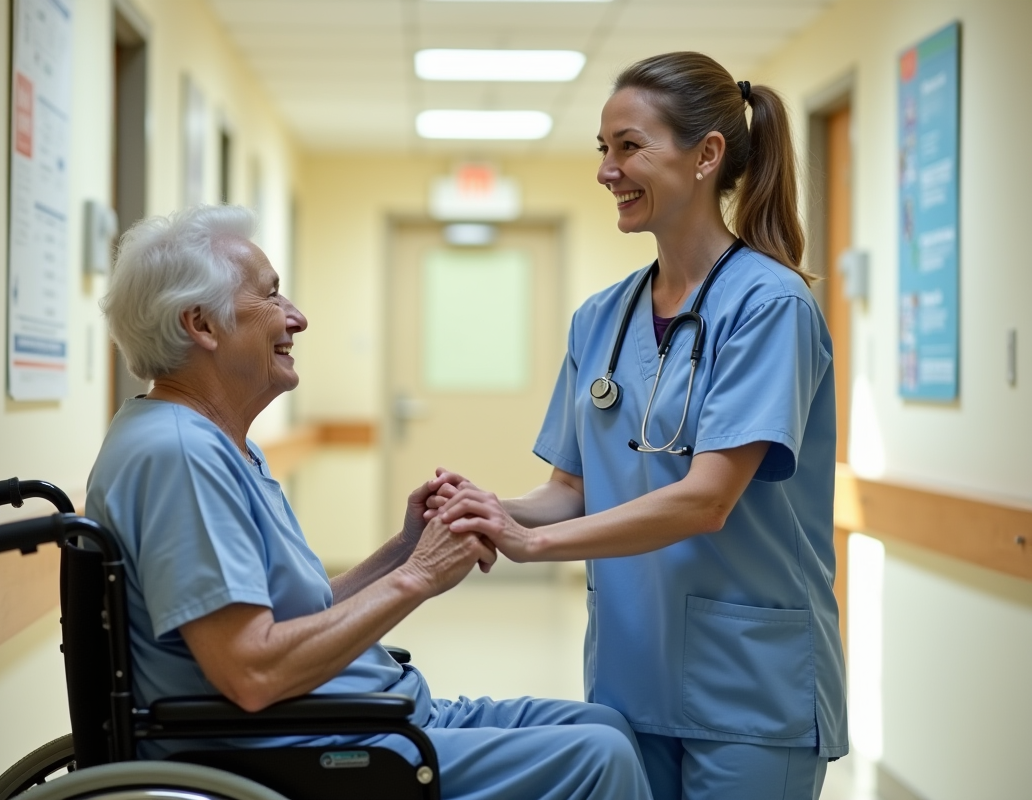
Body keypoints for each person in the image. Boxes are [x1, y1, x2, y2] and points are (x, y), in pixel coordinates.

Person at [86, 204, 652, 800]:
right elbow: (252, 672)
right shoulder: (179, 456)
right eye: (272, 297)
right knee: (600, 757)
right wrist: (419, 575)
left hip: (363, 717)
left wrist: (401, 550)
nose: (296, 317)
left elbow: (293, 616)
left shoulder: (215, 444)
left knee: (603, 724)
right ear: (202, 324)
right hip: (312, 749)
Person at [432, 52, 848, 800]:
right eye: (604, 149)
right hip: (630, 679)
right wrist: (492, 510)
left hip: (749, 688)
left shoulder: (770, 306)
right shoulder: (602, 318)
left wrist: (535, 544)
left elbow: (706, 499)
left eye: (628, 146)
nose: (607, 171)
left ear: (706, 156)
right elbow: (572, 489)